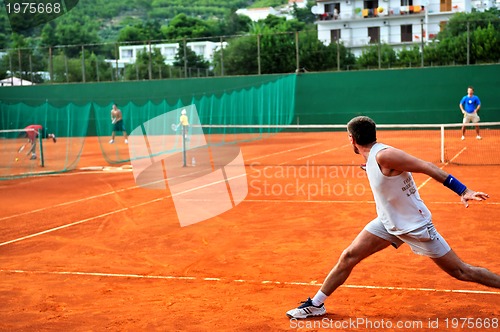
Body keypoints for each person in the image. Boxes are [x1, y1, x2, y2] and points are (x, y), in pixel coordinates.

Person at [286, 116, 499, 319]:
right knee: (349, 256)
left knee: (461, 271)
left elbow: (427, 166)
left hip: (416, 226)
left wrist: (463, 190)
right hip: (388, 223)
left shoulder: (384, 156)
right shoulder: (371, 159)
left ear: (352, 139)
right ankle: (316, 304)